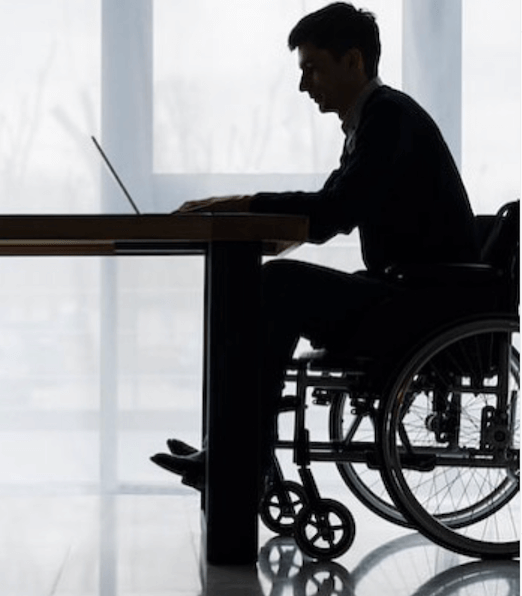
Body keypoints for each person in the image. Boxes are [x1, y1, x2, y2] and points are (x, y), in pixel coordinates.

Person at [150, 2, 480, 490]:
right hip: (415, 294)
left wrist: (242, 204)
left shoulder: (386, 119)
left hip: (420, 305)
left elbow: (333, 211)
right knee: (270, 287)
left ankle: (242, 455)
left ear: (353, 61)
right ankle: (237, 448)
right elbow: (335, 206)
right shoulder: (378, 121)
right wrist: (258, 210)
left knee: (277, 283)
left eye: (312, 69)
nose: (304, 86)